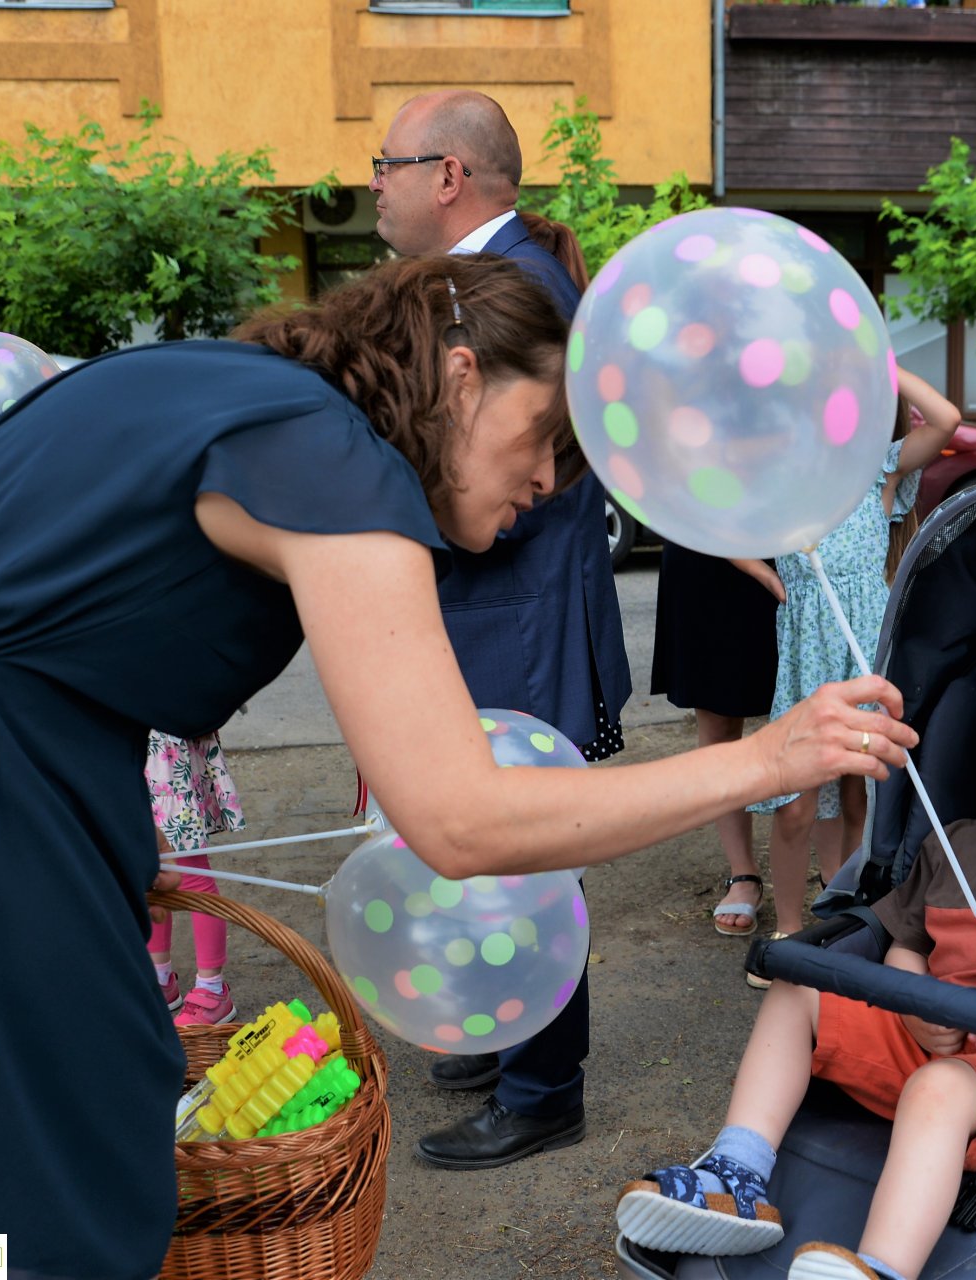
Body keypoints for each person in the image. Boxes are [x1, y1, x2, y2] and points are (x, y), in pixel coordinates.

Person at [0, 253, 917, 1280]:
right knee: (14, 1185)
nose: (553, 480)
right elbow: (460, 820)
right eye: (548, 435)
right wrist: (773, 755)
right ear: (462, 370)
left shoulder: (266, 398)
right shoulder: (325, 453)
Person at [614, 620, 976, 1280]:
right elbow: (905, 945)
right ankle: (738, 1173)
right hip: (926, 1044)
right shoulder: (954, 842)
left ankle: (882, 1267)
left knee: (941, 1088)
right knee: (801, 987)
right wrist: (915, 1004)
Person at [369, 88, 630, 1170]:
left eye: (385, 165)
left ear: (447, 177)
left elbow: (495, 474)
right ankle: (509, 1036)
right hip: (501, 606)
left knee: (522, 847)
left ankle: (542, 1085)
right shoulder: (499, 273)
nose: (370, 185)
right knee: (491, 849)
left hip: (511, 606)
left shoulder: (510, 285)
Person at [734, 370, 959, 977]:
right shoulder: (783, 481)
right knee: (797, 804)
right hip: (811, 660)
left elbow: (946, 420)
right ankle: (786, 927)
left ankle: (843, 909)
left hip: (866, 656)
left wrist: (886, 369)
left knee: (861, 794)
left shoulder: (877, 473)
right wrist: (760, 573)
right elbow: (711, 510)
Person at [652, 539, 781, 937]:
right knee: (719, 721)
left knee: (811, 712)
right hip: (706, 550)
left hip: (792, 542)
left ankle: (833, 873)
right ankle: (743, 873)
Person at [145, 730, 246, 1025]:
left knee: (191, 872)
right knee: (149, 871)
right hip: (137, 747)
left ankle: (213, 989)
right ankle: (160, 976)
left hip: (168, 755)